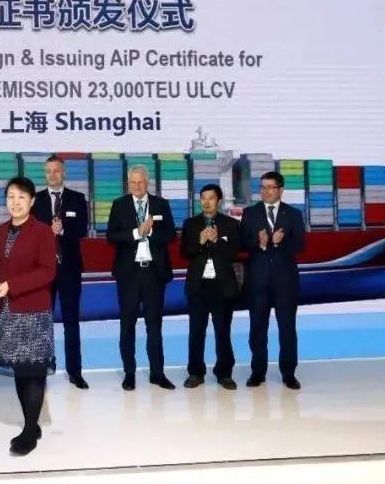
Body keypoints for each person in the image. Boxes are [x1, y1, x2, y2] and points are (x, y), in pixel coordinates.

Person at [0, 176, 57, 456]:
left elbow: (47, 272)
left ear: (31, 201)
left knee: (35, 370)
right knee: (20, 370)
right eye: (10, 196)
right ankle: (31, 423)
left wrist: (12, 285)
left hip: (33, 311)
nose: (15, 202)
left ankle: (30, 431)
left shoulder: (42, 232)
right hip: (7, 311)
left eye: (21, 197)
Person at [106, 164, 177, 391]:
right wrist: (137, 233)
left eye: (140, 182)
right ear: (128, 183)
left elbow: (171, 235)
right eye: (132, 182)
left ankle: (157, 373)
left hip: (153, 273)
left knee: (154, 326)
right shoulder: (119, 205)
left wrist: (151, 231)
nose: (136, 186)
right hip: (129, 274)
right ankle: (129, 373)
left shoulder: (161, 204)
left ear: (147, 183)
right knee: (127, 325)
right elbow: (111, 236)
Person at [240, 171, 307, 390]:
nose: (266, 191)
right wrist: (259, 243)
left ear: (280, 190)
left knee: (287, 328)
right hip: (258, 280)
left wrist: (280, 241)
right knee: (257, 327)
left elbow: (300, 245)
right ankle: (257, 372)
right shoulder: (250, 213)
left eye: (270, 187)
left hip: (285, 282)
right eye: (263, 187)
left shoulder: (293, 214)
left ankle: (289, 373)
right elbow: (241, 243)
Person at [31, 155, 89, 389]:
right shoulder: (36, 200)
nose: (52, 175)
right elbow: (29, 234)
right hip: (42, 272)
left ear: (64, 173)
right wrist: (48, 232)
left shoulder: (77, 198)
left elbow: (82, 229)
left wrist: (63, 229)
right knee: (40, 322)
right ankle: (39, 371)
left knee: (71, 322)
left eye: (56, 171)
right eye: (49, 171)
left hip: (70, 270)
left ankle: (75, 372)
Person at [180, 184, 241, 390]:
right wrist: (199, 241)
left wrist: (216, 241)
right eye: (203, 198)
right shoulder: (190, 224)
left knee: (222, 331)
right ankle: (195, 372)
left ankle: (224, 373)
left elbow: (234, 252)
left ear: (219, 201)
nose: (206, 202)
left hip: (222, 286)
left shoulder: (231, 224)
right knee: (196, 331)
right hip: (198, 286)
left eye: (211, 198)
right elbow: (185, 253)